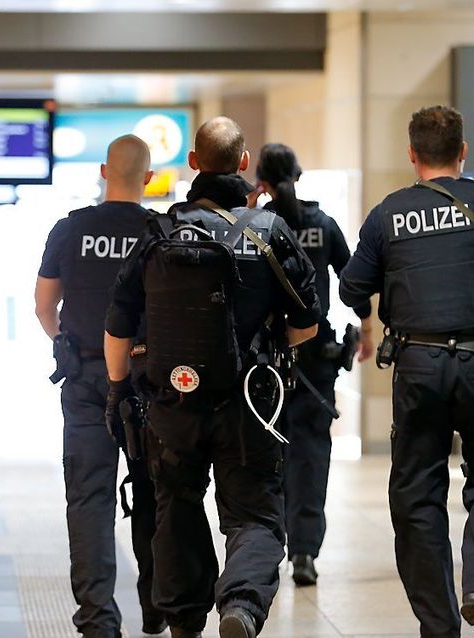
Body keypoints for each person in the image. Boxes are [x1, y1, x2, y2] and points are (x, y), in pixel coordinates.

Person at [339, 105, 474, 638]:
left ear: (412, 155)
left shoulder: (389, 213)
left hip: (417, 365)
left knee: (416, 494)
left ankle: (438, 624)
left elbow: (348, 289)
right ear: (463, 154)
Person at [104, 117, 321, 638]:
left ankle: (183, 620)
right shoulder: (268, 233)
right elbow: (307, 323)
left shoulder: (158, 232)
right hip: (247, 405)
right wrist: (264, 351)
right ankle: (241, 606)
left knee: (176, 509)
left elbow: (116, 325)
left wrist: (117, 391)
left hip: (171, 404)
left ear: (193, 163)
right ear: (243, 163)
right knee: (255, 516)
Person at [34, 135, 164, 638]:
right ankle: (156, 607)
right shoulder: (161, 232)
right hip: (149, 382)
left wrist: (65, 339)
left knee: (89, 497)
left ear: (104, 170)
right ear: (148, 178)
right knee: (155, 491)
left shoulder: (72, 230)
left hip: (87, 379)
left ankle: (97, 619)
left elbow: (45, 306)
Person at [253, 143, 374, 587]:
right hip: (317, 359)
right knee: (311, 454)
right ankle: (304, 552)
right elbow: (355, 280)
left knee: (270, 455)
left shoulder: (258, 226)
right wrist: (368, 331)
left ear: (261, 180)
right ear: (299, 176)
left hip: (266, 359)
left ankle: (268, 545)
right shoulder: (322, 225)